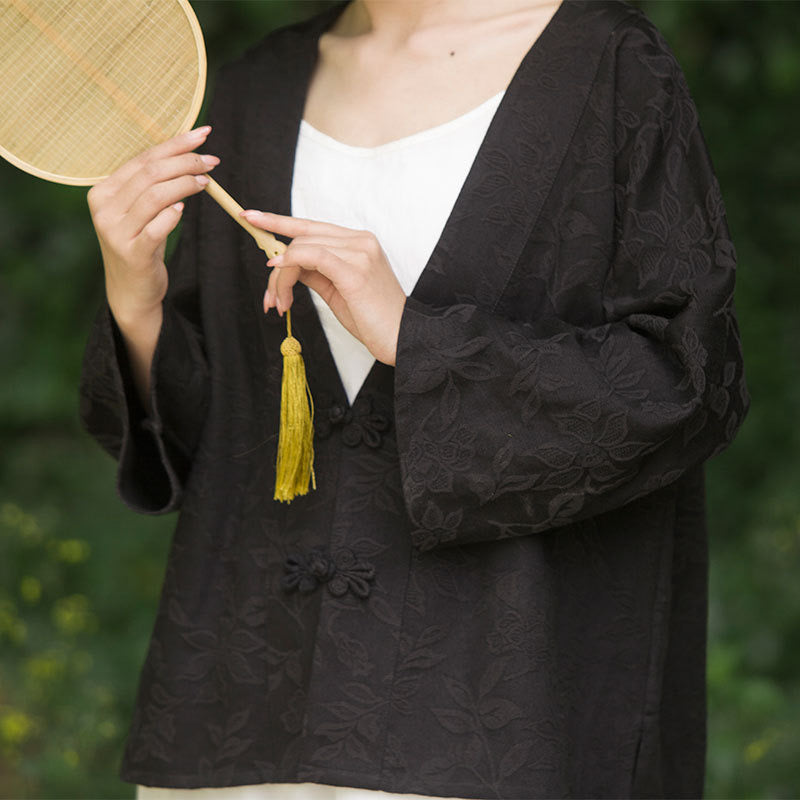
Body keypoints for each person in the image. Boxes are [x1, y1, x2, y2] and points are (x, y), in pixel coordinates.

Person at [80, 0, 748, 797]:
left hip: (491, 720)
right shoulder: (256, 87)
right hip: (239, 715)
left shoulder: (610, 65)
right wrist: (136, 300)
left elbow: (686, 379)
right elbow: (207, 437)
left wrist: (414, 337)